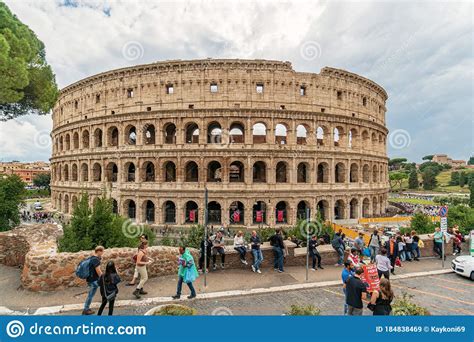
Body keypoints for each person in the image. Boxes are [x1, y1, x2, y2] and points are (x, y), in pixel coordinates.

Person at [82, 246, 104, 315]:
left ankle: (86, 308)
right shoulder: (96, 260)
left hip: (90, 279)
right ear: (99, 251)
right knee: (90, 295)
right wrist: (103, 278)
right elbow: (98, 271)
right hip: (93, 280)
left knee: (91, 294)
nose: (103, 253)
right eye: (102, 251)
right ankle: (86, 309)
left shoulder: (92, 258)